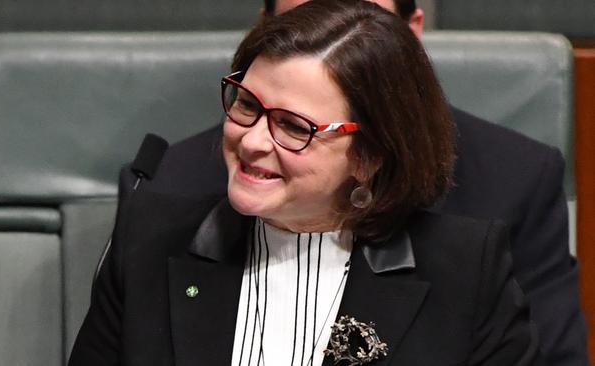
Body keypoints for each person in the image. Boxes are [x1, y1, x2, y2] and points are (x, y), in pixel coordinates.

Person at [117, 0, 589, 364]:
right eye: (245, 104)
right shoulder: (152, 229)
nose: (254, 141)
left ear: (369, 157)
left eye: (294, 127)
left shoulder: (467, 270)